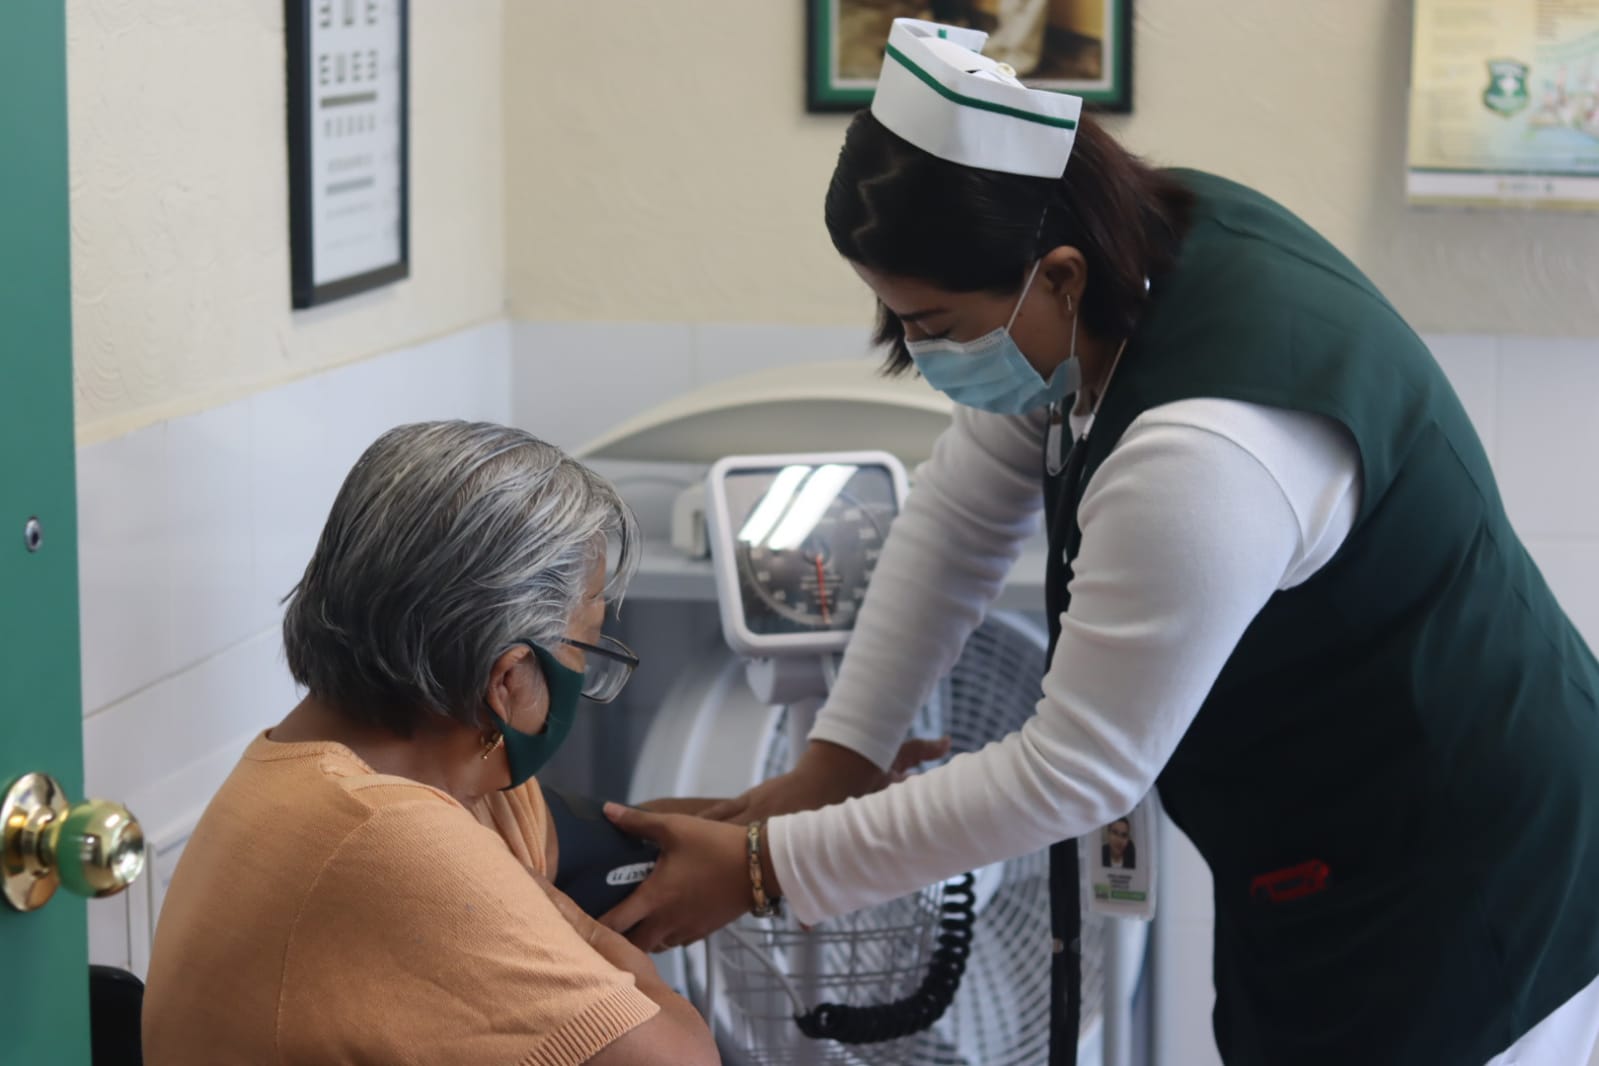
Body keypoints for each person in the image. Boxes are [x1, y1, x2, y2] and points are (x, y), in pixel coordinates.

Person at [598, 19, 1599, 1066]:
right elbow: (959, 513)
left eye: (934, 324)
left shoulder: (1204, 454)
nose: (918, 355)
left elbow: (1070, 774)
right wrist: (835, 765)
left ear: (1059, 275)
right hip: (1330, 847)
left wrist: (764, 868)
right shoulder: (1130, 252)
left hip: (1471, 868)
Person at [142, 422, 718, 1066]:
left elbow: (588, 838)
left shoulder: (334, 769)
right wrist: (581, 933)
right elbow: (681, 1059)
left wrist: (761, 850)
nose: (584, 677)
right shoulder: (386, 835)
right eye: (583, 646)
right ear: (507, 679)